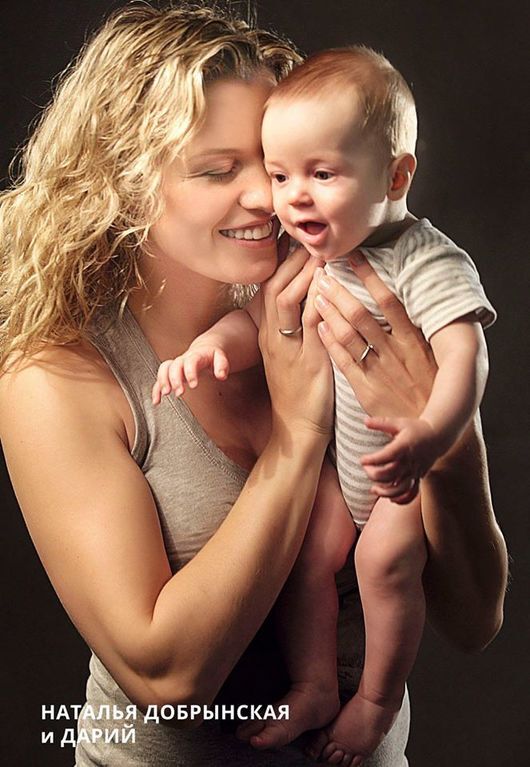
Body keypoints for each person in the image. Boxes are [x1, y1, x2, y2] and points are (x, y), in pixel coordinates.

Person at [0, 5, 507, 767]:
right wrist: (298, 439)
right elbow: (163, 674)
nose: (272, 200)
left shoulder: (344, 297)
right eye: (217, 169)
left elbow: (473, 620)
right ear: (125, 183)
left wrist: (446, 444)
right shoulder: (56, 376)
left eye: (271, 163)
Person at [153, 46, 498, 765]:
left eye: (321, 174)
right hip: (348, 468)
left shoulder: (423, 258)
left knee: (381, 564)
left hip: (402, 468)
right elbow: (258, 324)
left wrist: (431, 436)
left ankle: (371, 701)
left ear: (396, 175)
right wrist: (208, 347)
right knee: (310, 557)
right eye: (281, 175)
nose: (289, 199)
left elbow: (467, 358)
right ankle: (314, 683)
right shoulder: (317, 253)